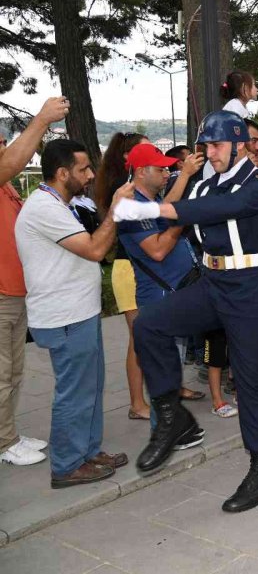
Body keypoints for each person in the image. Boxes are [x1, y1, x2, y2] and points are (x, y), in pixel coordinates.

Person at [115, 111, 258, 513]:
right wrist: (142, 206)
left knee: (251, 380)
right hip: (212, 282)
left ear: (240, 144)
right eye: (206, 145)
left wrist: (149, 211)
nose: (210, 152)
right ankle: (173, 415)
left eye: (217, 145)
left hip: (252, 288)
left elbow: (223, 208)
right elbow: (187, 208)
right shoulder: (204, 182)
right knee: (149, 325)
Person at [15, 139, 132, 487]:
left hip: (79, 312)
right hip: (64, 317)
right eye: (83, 169)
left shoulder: (60, 204)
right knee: (75, 392)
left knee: (90, 387)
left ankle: (88, 451)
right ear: (62, 172)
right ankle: (66, 465)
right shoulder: (44, 208)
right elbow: (95, 249)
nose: (90, 175)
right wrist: (114, 210)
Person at [116, 144, 209, 445]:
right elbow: (156, 249)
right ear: (141, 171)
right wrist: (182, 219)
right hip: (159, 296)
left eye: (169, 167)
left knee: (171, 365)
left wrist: (184, 176)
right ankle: (165, 431)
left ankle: (174, 427)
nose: (167, 172)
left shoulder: (147, 200)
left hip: (172, 293)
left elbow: (166, 208)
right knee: (164, 367)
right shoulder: (130, 206)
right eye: (161, 168)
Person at [0, 97, 68, 466]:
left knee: (12, 371)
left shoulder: (6, 186)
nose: (3, 148)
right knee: (1, 372)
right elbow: (13, 162)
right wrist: (42, 119)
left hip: (13, 292)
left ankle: (6, 433)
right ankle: (3, 442)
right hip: (1, 296)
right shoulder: (4, 174)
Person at [94, 131, 155, 421]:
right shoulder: (125, 189)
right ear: (129, 157)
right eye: (146, 151)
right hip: (128, 270)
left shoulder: (133, 186)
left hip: (140, 268)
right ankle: (136, 403)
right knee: (139, 339)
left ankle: (165, 390)